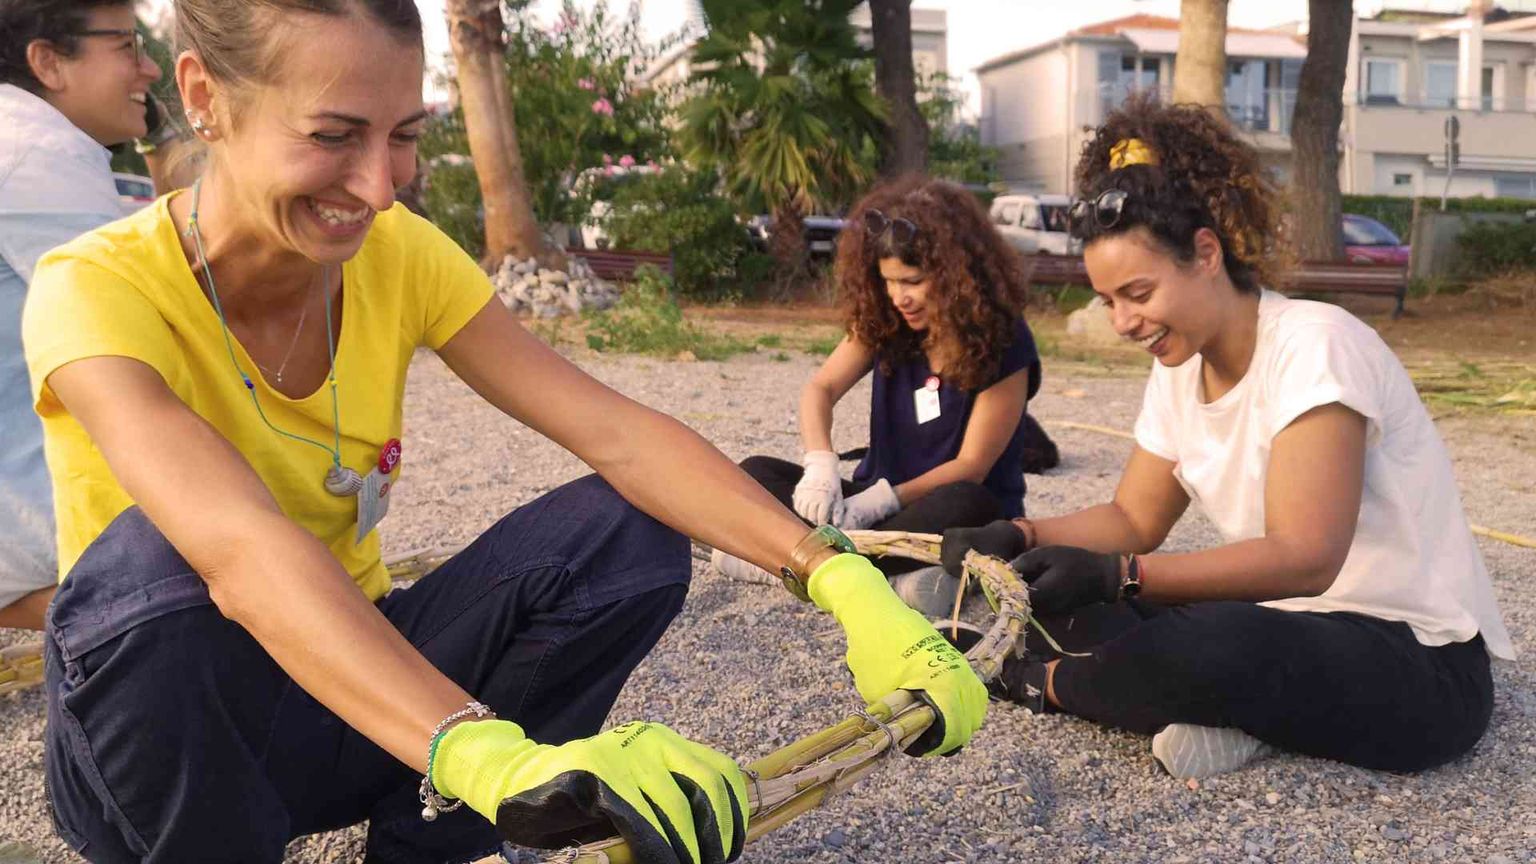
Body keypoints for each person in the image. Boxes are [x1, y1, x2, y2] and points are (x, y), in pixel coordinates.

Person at [20, 2, 987, 862]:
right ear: (204, 94)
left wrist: (834, 574)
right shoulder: (95, 287)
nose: (381, 185)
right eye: (333, 134)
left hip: (356, 699)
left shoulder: (394, 254)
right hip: (168, 738)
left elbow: (615, 433)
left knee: (626, 530)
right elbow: (232, 549)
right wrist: (477, 746)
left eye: (404, 135)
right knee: (150, 567)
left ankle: (427, 843)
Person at [942, 97, 1513, 780]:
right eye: (1108, 300)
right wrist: (1024, 536)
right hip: (1287, 623)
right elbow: (1133, 518)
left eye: (1139, 292)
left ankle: (1044, 681)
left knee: (1217, 641)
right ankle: (1223, 714)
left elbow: (1306, 560)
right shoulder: (1181, 364)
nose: (1124, 321)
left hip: (1415, 661)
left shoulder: (1314, 346)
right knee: (1078, 597)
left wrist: (1123, 575)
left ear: (1205, 253)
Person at [714, 177, 1042, 595]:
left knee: (966, 502)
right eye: (888, 282)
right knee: (756, 472)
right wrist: (820, 464)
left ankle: (802, 563)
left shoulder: (1006, 340)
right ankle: (876, 572)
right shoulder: (888, 322)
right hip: (867, 512)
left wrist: (883, 501)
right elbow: (821, 389)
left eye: (912, 281)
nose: (897, 297)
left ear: (958, 275)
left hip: (943, 509)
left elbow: (972, 466)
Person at [0, 0, 172, 630]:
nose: (151, 70)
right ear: (47, 62)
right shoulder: (34, 151)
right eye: (127, 46)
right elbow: (166, 310)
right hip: (34, 521)